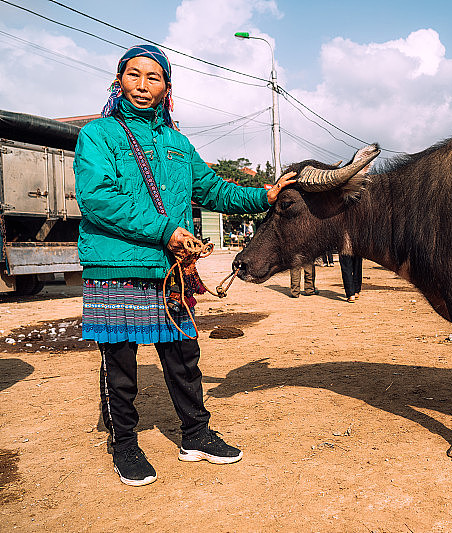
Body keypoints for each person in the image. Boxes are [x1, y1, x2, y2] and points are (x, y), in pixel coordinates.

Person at [74, 44, 296, 487]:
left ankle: (195, 435)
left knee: (183, 356)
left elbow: (213, 189)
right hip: (117, 265)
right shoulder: (97, 135)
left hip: (170, 271)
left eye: (153, 77)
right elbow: (97, 198)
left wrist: (263, 196)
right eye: (133, 75)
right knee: (120, 363)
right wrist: (165, 232)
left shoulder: (177, 143)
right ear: (119, 81)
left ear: (166, 88)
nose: (142, 84)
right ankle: (125, 446)